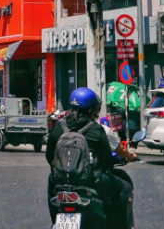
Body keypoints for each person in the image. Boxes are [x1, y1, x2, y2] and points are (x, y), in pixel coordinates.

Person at [46, 88, 131, 228]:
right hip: (91, 181)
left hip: (60, 181)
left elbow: (50, 156)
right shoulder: (96, 129)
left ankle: (55, 221)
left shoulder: (58, 127)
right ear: (90, 109)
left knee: (51, 186)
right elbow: (106, 161)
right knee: (124, 187)